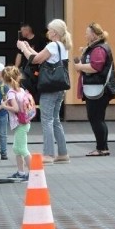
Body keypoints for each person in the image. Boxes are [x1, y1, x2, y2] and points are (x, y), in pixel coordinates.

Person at [17, 18, 71, 165]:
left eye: (49, 29)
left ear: (54, 32)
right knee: (56, 120)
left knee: (47, 120)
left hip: (49, 87)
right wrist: (28, 48)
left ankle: (48, 154)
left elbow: (35, 60)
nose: (48, 32)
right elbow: (41, 57)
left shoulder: (53, 45)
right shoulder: (62, 46)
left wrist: (23, 49)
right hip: (59, 87)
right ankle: (63, 153)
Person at [73, 22, 115, 156]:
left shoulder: (99, 49)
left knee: (96, 119)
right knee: (98, 118)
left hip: (98, 89)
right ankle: (102, 147)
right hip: (97, 88)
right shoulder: (98, 47)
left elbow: (95, 67)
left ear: (93, 34)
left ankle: (101, 148)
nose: (85, 35)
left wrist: (80, 67)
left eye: (87, 33)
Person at [0, 66, 31, 180]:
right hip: (24, 122)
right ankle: (21, 172)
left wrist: (4, 106)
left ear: (4, 79)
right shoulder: (21, 90)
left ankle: (34, 172)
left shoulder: (11, 93)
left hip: (19, 124)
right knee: (17, 148)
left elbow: (16, 108)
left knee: (22, 149)